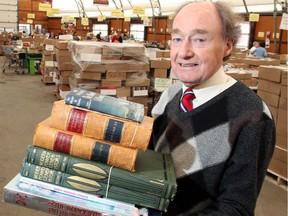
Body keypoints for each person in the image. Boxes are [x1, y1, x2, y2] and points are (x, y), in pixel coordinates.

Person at [150, 1, 276, 215]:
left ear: (228, 46)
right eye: (177, 39)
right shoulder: (170, 96)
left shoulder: (252, 116)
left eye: (199, 39)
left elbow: (235, 209)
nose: (183, 52)